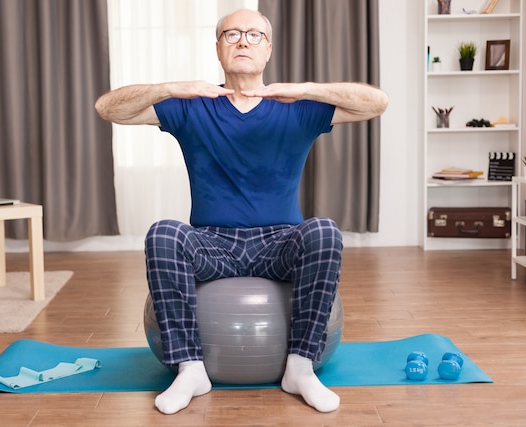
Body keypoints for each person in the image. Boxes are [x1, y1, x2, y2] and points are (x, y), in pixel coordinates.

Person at [95, 8, 388, 415]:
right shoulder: (192, 106)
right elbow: (109, 108)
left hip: (281, 242)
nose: (243, 41)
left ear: (268, 49)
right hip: (213, 242)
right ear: (218, 48)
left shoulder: (296, 107)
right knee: (163, 232)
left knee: (324, 230)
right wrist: (172, 88)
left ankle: (300, 368)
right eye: (231, 34)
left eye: (254, 35)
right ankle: (190, 368)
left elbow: (377, 102)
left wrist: (305, 88)